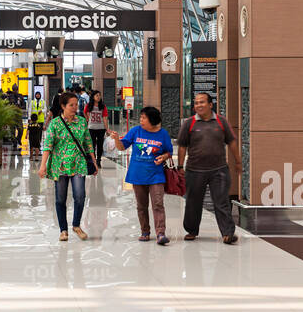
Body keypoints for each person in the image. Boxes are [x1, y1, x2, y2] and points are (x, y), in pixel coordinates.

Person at [177, 92, 239, 245]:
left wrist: (238, 162)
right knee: (193, 201)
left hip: (219, 170)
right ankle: (191, 230)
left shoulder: (221, 121)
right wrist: (180, 165)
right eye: (196, 103)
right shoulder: (189, 123)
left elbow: (232, 142)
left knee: (222, 201)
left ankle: (228, 233)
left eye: (202, 102)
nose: (198, 105)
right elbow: (182, 146)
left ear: (211, 105)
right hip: (194, 169)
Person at [109, 106, 173, 244]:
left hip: (156, 175)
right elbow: (121, 147)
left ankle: (161, 233)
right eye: (141, 117)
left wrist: (163, 157)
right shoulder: (135, 131)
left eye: (144, 118)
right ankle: (145, 231)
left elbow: (169, 152)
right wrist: (116, 139)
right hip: (137, 175)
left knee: (158, 204)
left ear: (152, 120)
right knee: (141, 205)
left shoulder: (163, 134)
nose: (141, 120)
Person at [40, 91, 97, 241]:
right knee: (60, 199)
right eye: (71, 105)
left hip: (78, 164)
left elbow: (88, 143)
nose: (74, 107)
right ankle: (63, 230)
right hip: (60, 166)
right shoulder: (55, 123)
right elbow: (48, 146)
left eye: (76, 105)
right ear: (63, 106)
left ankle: (76, 225)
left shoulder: (81, 122)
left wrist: (94, 162)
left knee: (80, 196)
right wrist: (43, 165)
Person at [85, 91, 109, 169]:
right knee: (92, 144)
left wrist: (107, 129)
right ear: (93, 97)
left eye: (99, 95)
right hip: (91, 128)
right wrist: (88, 120)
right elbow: (85, 112)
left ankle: (98, 160)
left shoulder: (103, 106)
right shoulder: (89, 106)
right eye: (97, 95)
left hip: (101, 128)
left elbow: (105, 118)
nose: (98, 97)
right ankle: (93, 160)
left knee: (100, 145)